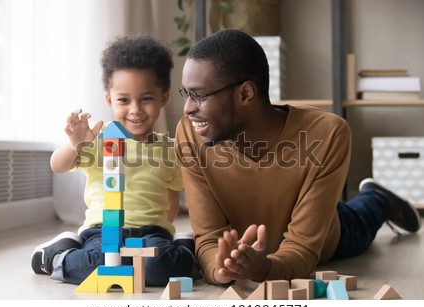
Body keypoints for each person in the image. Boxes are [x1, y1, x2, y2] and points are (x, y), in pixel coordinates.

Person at [174, 29, 422, 286]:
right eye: (186, 94)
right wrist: (221, 269)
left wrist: (264, 268)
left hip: (324, 237)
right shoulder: (190, 134)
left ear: (246, 94)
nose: (188, 108)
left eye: (199, 95)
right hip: (273, 225)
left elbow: (304, 249)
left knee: (360, 219)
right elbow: (208, 238)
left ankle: (378, 198)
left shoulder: (326, 133)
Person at [31, 35, 197, 287]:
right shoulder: (98, 138)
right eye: (123, 100)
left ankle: (182, 247)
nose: (135, 109)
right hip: (102, 232)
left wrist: (166, 230)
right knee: (96, 265)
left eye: (146, 98)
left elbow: (171, 195)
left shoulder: (169, 148)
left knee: (160, 268)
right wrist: (76, 146)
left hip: (151, 232)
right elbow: (57, 165)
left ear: (163, 98)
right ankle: (58, 254)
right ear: (109, 99)